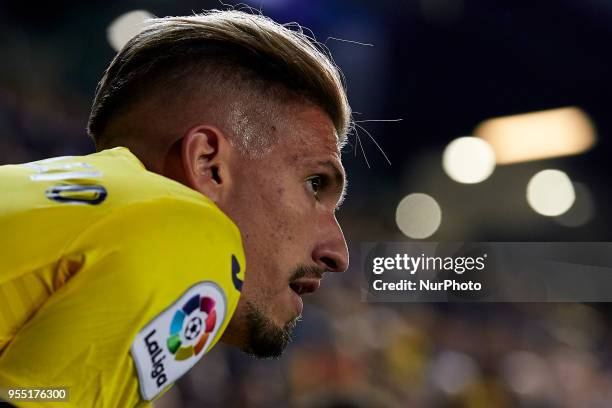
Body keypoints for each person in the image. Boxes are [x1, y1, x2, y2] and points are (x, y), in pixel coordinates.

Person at [0, 9, 351, 407]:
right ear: (208, 165)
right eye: (314, 184)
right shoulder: (191, 231)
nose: (338, 253)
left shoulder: (40, 200)